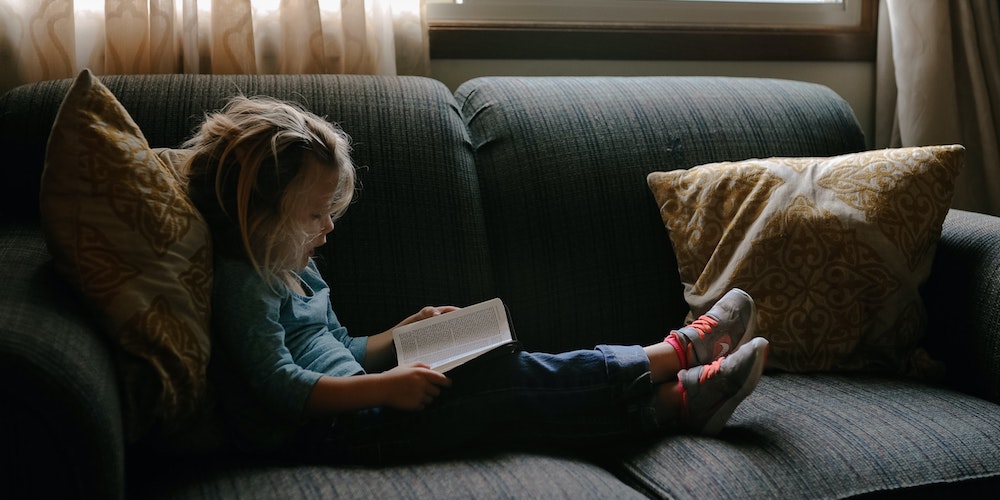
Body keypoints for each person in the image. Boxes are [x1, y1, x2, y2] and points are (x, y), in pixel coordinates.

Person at [183, 95, 769, 463]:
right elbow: (281, 385)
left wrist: (400, 335)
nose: (329, 227)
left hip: (361, 403)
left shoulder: (294, 263)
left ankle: (676, 401)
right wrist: (386, 387)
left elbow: (341, 348)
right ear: (258, 214)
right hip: (340, 432)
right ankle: (677, 355)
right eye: (314, 214)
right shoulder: (244, 282)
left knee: (503, 375)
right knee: (503, 384)